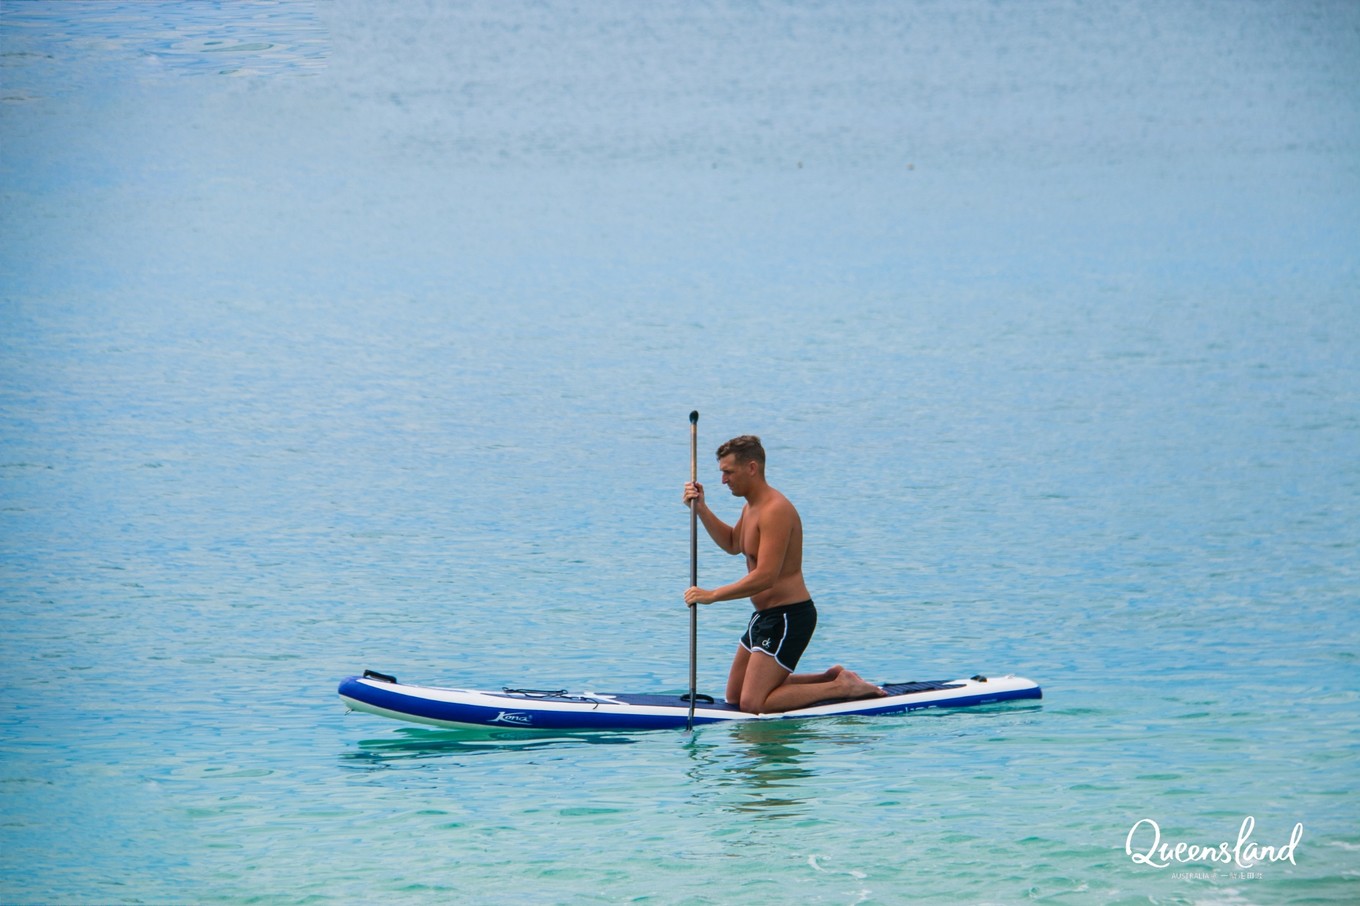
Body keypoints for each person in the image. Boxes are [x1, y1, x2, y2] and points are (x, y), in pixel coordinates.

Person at [683, 435, 885, 714]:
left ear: (752, 468)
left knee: (754, 703)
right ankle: (831, 678)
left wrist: (712, 596)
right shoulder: (751, 507)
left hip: (789, 616)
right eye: (722, 473)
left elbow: (766, 576)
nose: (723, 481)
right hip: (765, 617)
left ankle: (843, 688)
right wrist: (701, 509)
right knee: (735, 696)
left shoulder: (775, 510)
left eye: (728, 472)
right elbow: (732, 543)